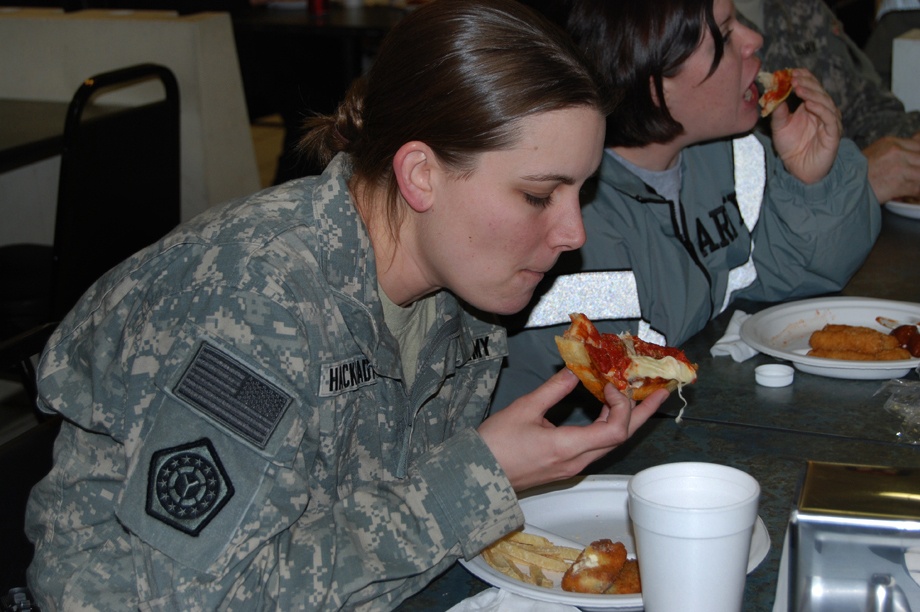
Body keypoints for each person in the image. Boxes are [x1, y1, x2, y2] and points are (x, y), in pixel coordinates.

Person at [23, 1, 668, 609]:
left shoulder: (468, 290)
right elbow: (203, 597)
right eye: (537, 196)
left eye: (580, 193)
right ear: (420, 175)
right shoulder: (253, 298)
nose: (573, 233)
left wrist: (503, 473)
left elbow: (378, 529)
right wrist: (478, 479)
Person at [493, 0, 880, 420]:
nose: (755, 40)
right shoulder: (566, 219)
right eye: (726, 35)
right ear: (654, 82)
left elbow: (804, 275)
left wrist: (812, 186)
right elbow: (584, 406)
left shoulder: (726, 159)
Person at [736, 0, 920, 204]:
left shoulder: (803, 7)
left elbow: (867, 104)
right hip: (788, 221)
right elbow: (730, 201)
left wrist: (910, 141)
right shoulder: (701, 23)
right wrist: (849, 181)